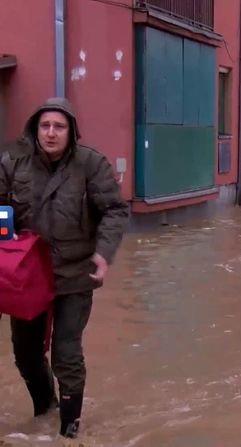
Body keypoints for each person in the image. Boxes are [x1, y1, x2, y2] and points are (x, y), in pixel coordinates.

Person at [0, 97, 129, 439]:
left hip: (75, 275)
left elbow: (116, 210)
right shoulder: (14, 163)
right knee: (26, 355)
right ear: (35, 129)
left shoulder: (90, 164)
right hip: (26, 276)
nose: (51, 133)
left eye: (59, 126)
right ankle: (45, 409)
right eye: (45, 126)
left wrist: (103, 253)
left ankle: (69, 433)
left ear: (71, 131)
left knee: (66, 353)